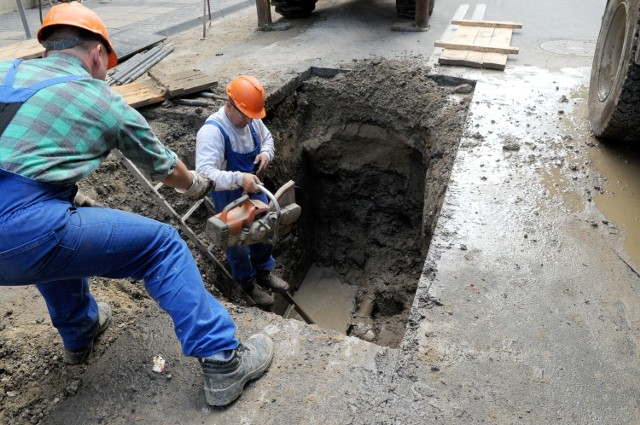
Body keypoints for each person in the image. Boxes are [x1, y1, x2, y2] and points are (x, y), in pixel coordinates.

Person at [0, 2, 272, 407]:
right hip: (24, 226)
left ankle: (80, 335)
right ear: (96, 54)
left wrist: (67, 195)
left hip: (22, 225)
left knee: (53, 250)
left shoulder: (8, 77)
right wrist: (198, 185)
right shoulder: (102, 100)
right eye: (105, 65)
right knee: (162, 245)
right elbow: (167, 169)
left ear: (48, 49)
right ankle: (222, 359)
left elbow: (20, 159)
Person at [196, 76, 289, 310]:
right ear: (229, 105)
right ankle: (248, 284)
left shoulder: (252, 120)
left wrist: (266, 154)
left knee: (266, 229)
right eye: (244, 115)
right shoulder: (212, 131)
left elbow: (267, 138)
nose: (248, 121)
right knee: (238, 243)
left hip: (255, 189)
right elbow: (205, 174)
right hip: (229, 197)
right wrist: (239, 178)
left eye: (252, 116)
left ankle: (263, 272)